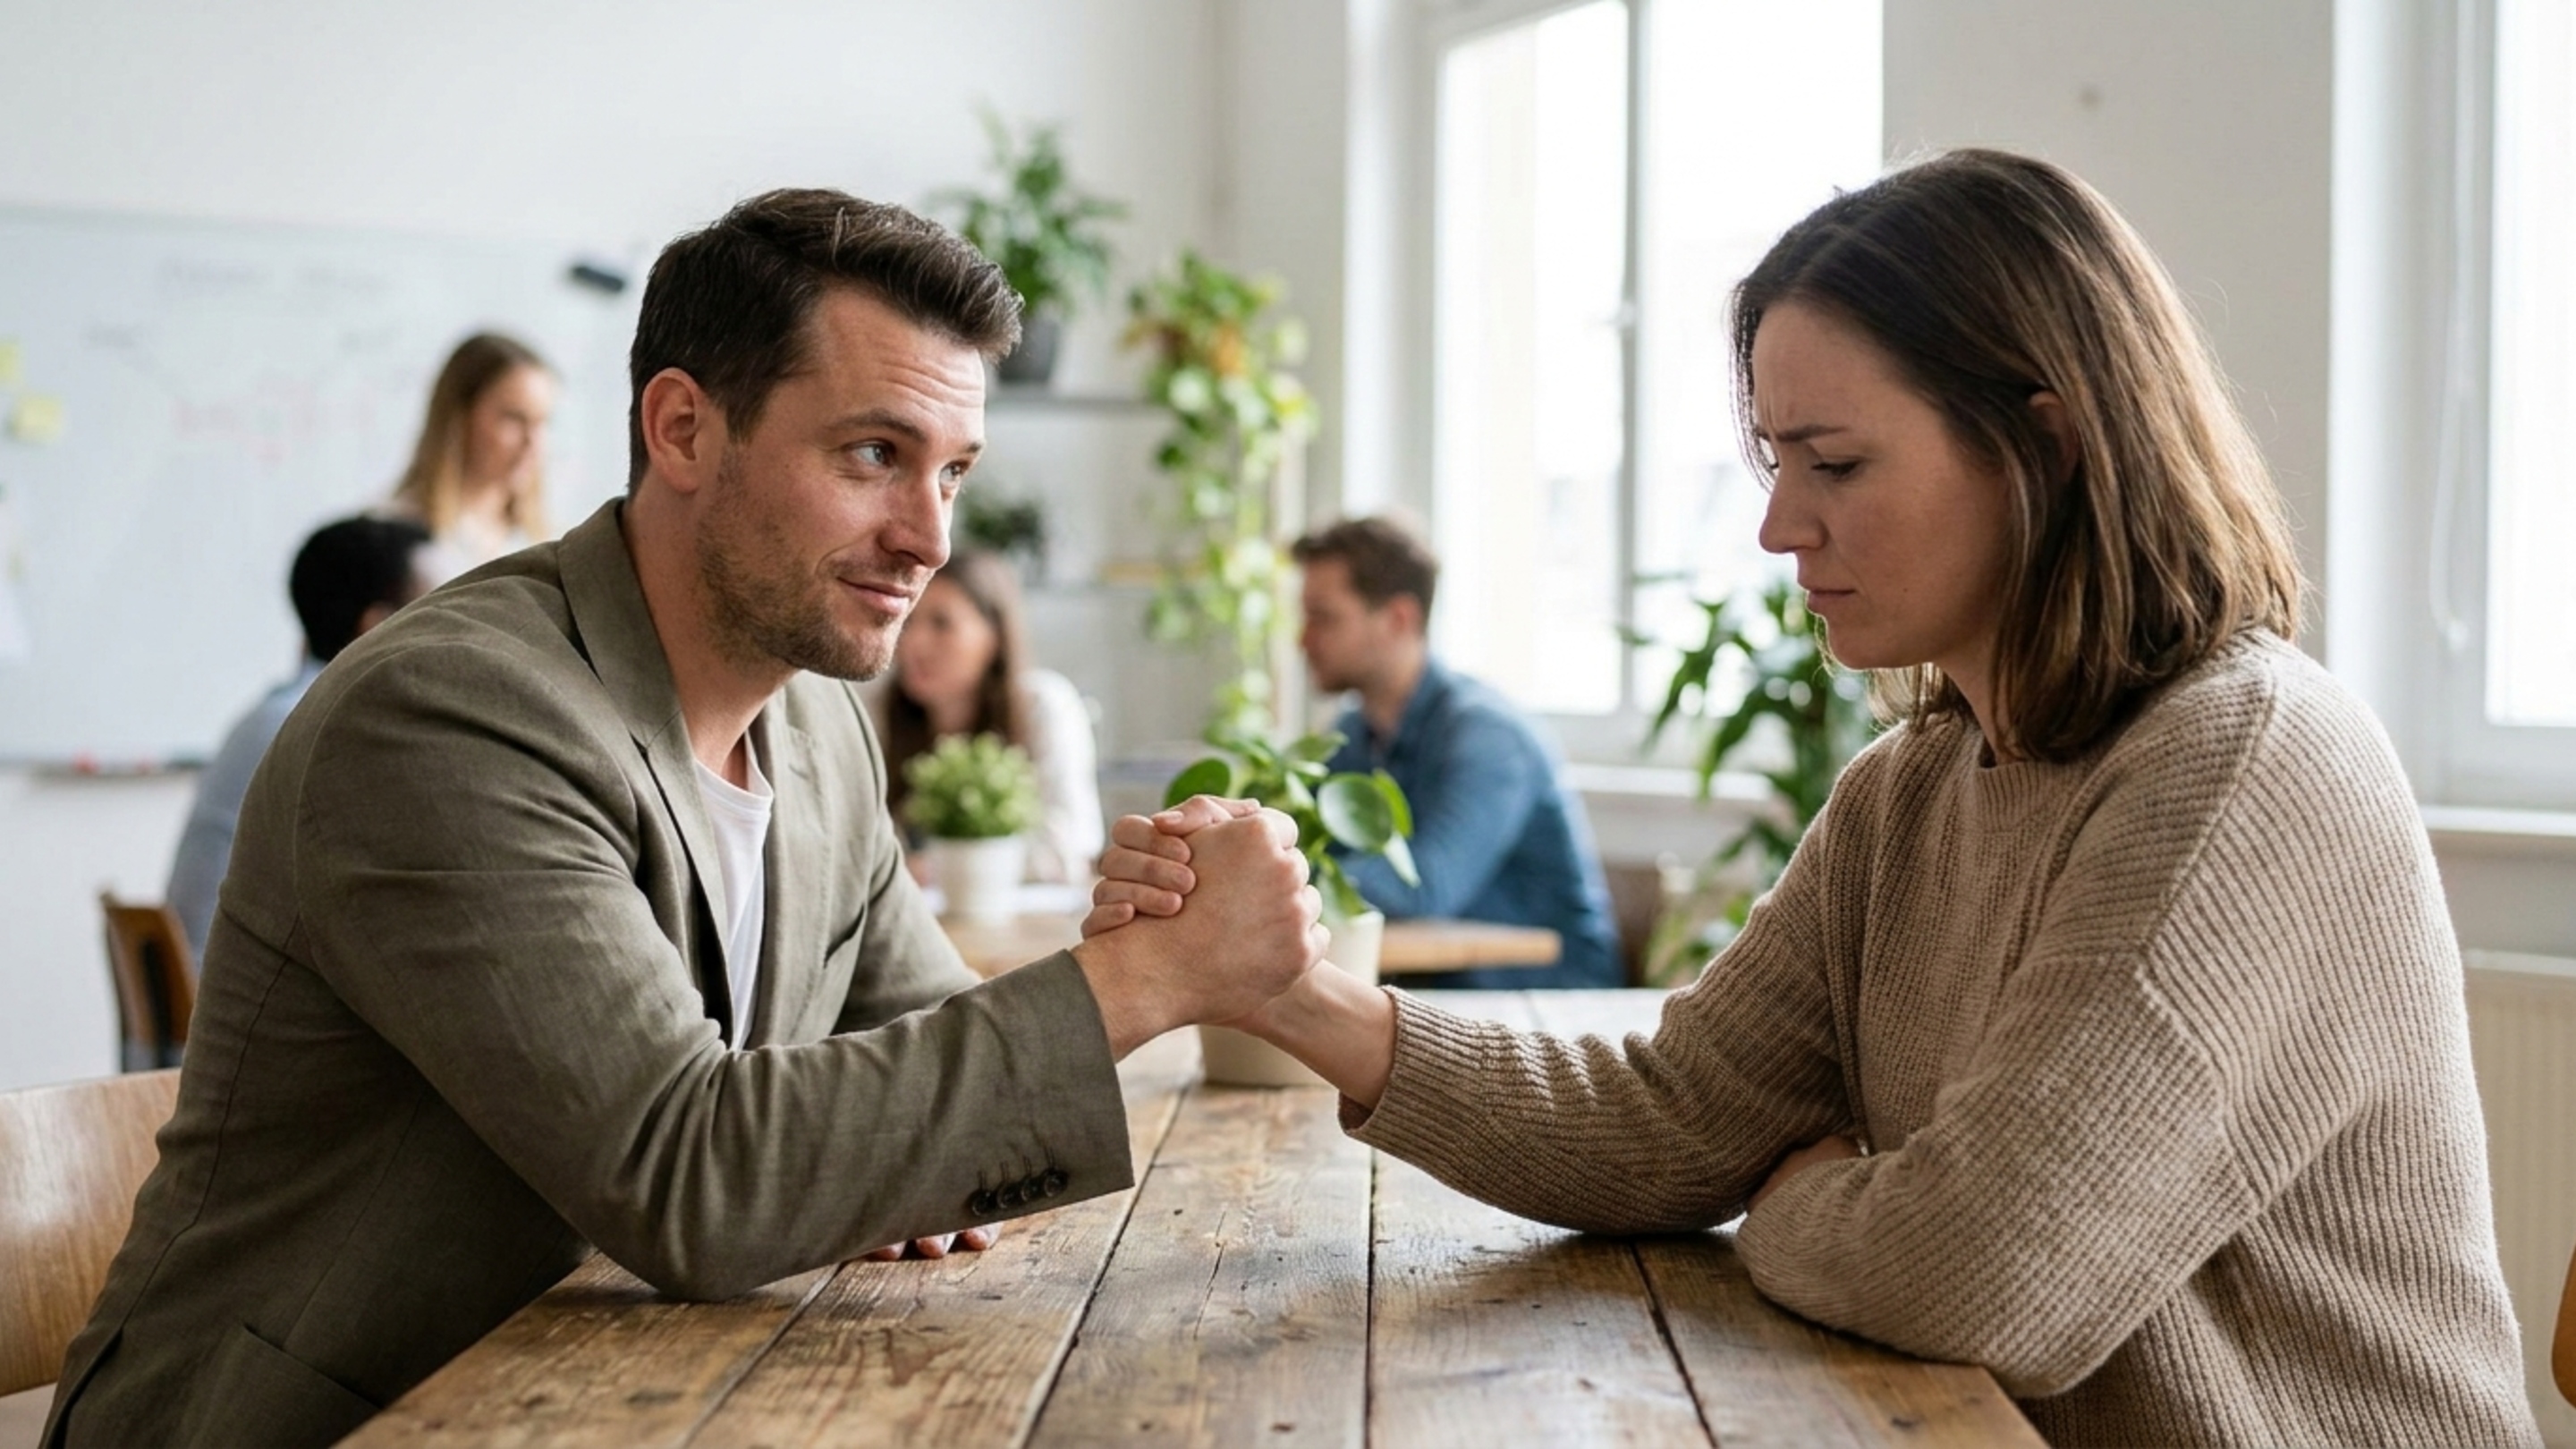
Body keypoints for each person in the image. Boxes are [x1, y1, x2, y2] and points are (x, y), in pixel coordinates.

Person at [1090, 150, 2539, 1446]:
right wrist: (1288, 994)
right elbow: (1676, 1118)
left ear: (2046, 441)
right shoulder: (1912, 789)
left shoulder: (2240, 767)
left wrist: (1790, 1206)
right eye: (1778, 463)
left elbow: (1990, 1274)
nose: (1783, 527)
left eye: (1835, 462)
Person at [46, 189, 1324, 1449]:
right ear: (683, 430)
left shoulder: (816, 723)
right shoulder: (449, 714)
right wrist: (1147, 978)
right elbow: (696, 1179)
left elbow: (934, 1048)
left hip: (608, 1400)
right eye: (874, 455)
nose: (930, 537)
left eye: (956, 474)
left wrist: (892, 1144)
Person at [1289, 515, 1621, 988]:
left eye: (1323, 617)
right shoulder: (1352, 736)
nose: (1302, 639)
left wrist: (1278, 882)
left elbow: (1425, 886)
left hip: (1548, 1003)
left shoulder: (1488, 736)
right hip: (1439, 999)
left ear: (1399, 619)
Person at [165, 515, 432, 962]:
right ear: (377, 627)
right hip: (229, 1010)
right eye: (439, 610)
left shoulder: (280, 712)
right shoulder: (325, 730)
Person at [874, 547, 1104, 882]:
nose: (913, 644)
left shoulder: (1043, 706)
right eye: (907, 622)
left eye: (942, 623)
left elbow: (1070, 849)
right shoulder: (875, 708)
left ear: (994, 633)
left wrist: (937, 869)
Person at [386, 331, 557, 582]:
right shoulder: (395, 540)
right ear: (461, 416)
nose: (533, 442)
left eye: (543, 423)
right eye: (514, 418)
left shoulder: (547, 546)